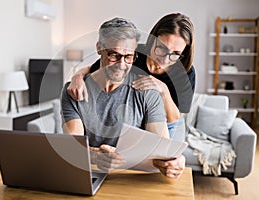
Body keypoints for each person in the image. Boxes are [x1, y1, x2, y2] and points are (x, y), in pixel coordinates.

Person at [61, 17, 184, 178]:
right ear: (99, 48)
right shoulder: (74, 91)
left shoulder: (148, 91)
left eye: (129, 57)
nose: (122, 64)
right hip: (89, 175)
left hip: (131, 179)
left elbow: (160, 153)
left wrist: (174, 161)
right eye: (114, 55)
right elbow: (72, 147)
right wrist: (95, 155)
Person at [67, 13, 195, 139]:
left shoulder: (185, 72)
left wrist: (163, 90)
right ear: (152, 39)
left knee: (167, 158)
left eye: (176, 53)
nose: (166, 59)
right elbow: (94, 68)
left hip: (168, 123)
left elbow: (174, 117)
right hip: (139, 120)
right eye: (161, 48)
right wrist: (77, 77)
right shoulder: (130, 53)